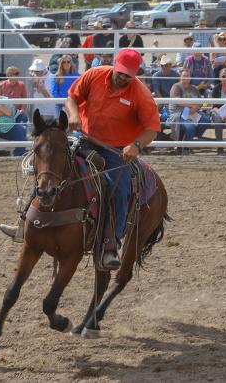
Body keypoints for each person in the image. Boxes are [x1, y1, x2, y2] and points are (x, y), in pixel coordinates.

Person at [65, 48, 161, 267]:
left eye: (129, 75)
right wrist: (73, 115)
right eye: (121, 73)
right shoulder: (94, 75)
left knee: (119, 189)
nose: (124, 77)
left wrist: (135, 145)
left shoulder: (140, 94)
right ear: (115, 66)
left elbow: (151, 129)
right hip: (85, 137)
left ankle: (111, 244)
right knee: (50, 166)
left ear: (134, 75)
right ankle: (26, 221)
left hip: (116, 149)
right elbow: (72, 97)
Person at [168, 68, 210, 151]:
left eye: (187, 76)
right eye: (184, 76)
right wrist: (192, 106)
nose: (185, 77)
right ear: (180, 77)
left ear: (190, 78)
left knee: (206, 120)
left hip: (193, 112)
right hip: (179, 112)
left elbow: (202, 102)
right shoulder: (176, 86)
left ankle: (188, 140)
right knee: (190, 127)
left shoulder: (194, 88)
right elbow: (177, 101)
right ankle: (185, 147)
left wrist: (204, 104)